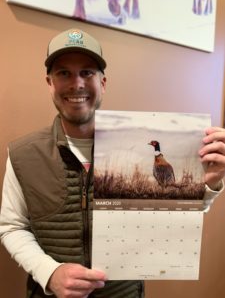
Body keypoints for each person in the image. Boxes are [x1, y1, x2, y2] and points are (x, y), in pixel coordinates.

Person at [0, 28, 225, 298]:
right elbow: (11, 226)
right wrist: (49, 272)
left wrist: (208, 185)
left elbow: (167, 211)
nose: (77, 84)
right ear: (49, 82)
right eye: (64, 73)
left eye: (87, 72)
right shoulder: (25, 154)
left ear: (103, 82)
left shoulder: (130, 150)